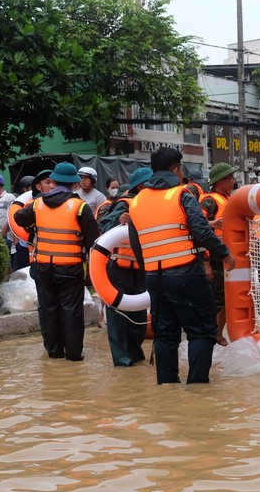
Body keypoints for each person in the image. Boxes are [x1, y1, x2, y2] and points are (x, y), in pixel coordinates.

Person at [128, 147, 235, 385]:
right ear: (176, 169)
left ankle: (167, 386)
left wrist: (151, 269)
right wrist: (225, 254)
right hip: (186, 273)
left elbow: (137, 245)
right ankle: (197, 388)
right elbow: (201, 230)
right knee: (201, 331)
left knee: (165, 334)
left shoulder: (136, 201)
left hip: (154, 276)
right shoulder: (181, 194)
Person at [14, 162, 100, 362]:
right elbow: (93, 241)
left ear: (53, 181)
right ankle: (73, 355)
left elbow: (19, 218)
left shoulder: (37, 204)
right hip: (70, 268)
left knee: (49, 310)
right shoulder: (80, 207)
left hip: (43, 267)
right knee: (71, 311)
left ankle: (54, 352)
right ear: (74, 184)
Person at [98, 167, 153, 368]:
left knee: (138, 317)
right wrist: (118, 220)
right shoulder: (124, 203)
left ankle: (136, 356)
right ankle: (122, 361)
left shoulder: (149, 205)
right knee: (118, 319)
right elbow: (104, 227)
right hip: (119, 270)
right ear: (141, 186)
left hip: (140, 271)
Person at [200, 162, 237, 345]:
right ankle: (213, 336)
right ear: (221, 180)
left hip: (226, 257)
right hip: (213, 258)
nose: (233, 180)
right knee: (217, 301)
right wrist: (205, 261)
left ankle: (218, 334)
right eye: (230, 177)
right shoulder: (209, 201)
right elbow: (197, 226)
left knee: (226, 298)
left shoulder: (228, 198)